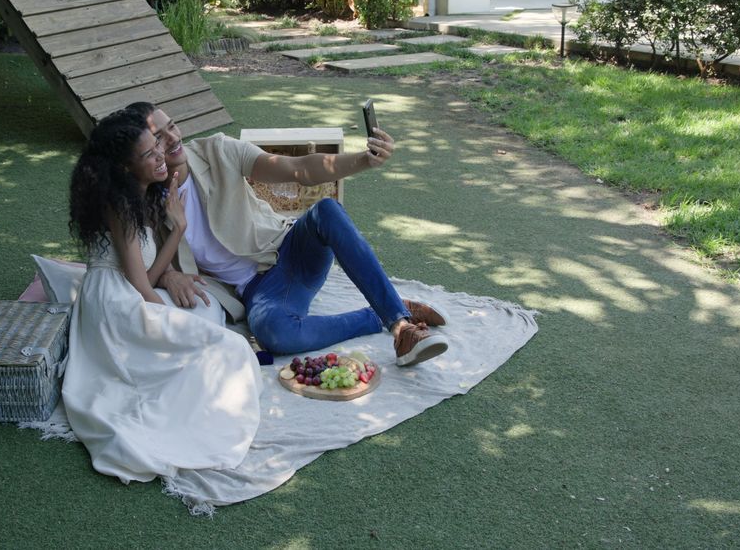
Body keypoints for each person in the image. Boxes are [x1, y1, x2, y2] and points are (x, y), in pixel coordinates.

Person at [126, 101, 450, 367]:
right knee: (274, 333)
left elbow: (300, 169)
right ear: (143, 150)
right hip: (259, 291)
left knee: (327, 210)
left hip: (290, 248)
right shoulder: (144, 202)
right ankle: (388, 309)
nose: (172, 138)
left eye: (172, 125)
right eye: (158, 136)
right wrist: (169, 276)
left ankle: (401, 325)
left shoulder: (216, 151)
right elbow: (147, 264)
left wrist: (364, 160)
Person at [61, 108, 261, 484]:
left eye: (158, 148)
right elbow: (142, 287)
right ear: (124, 167)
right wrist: (174, 325)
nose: (161, 157)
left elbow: (150, 276)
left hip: (128, 296)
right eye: (150, 154)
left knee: (212, 326)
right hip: (115, 309)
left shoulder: (139, 196)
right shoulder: (120, 206)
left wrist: (178, 226)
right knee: (225, 346)